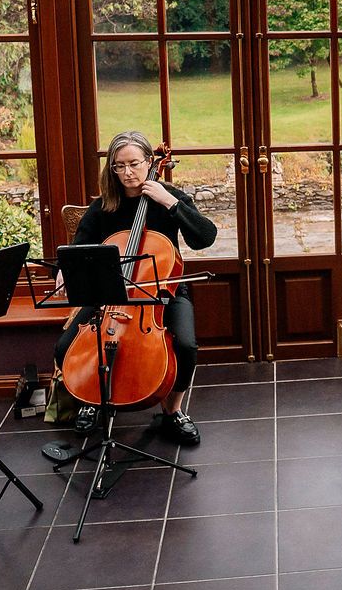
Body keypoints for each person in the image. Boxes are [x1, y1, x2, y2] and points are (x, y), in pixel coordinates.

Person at [49, 130, 218, 448]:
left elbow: (205, 237)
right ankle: (92, 400)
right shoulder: (104, 206)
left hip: (163, 295)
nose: (127, 172)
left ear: (149, 162)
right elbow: (79, 246)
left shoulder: (170, 198)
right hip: (111, 298)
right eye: (119, 166)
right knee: (65, 349)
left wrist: (169, 203)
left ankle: (172, 412)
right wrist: (64, 272)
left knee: (185, 346)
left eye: (134, 164)